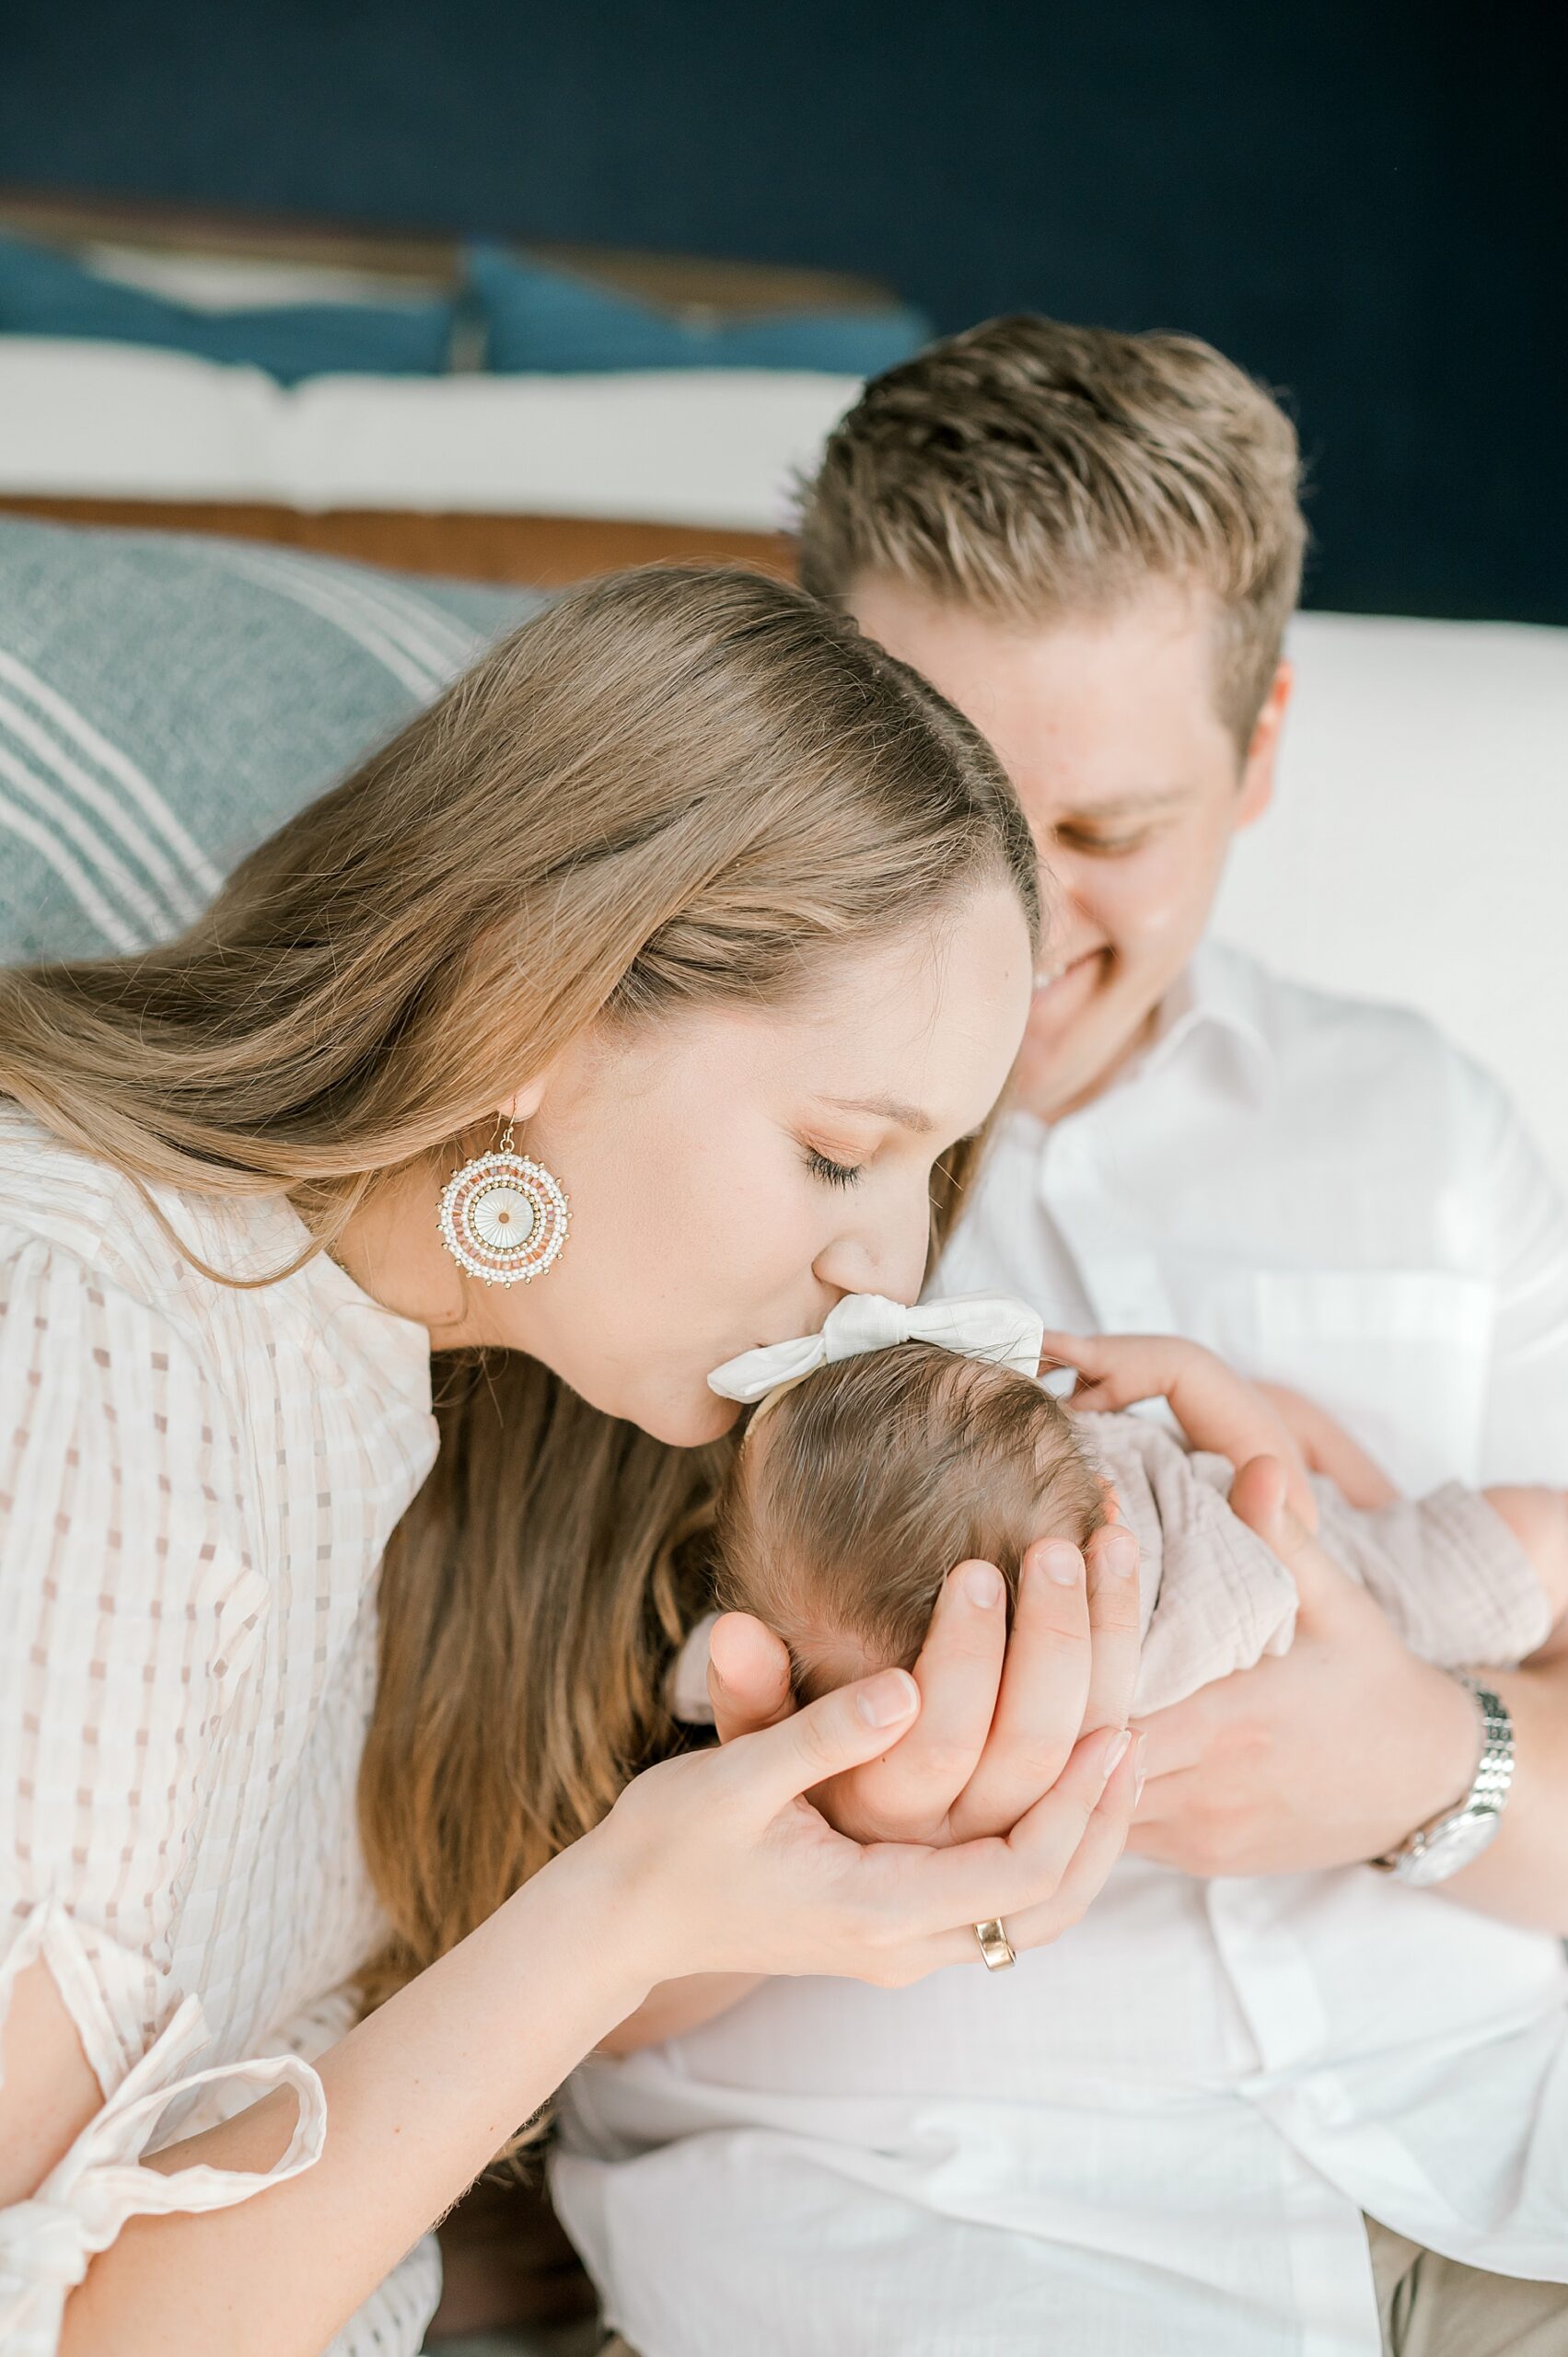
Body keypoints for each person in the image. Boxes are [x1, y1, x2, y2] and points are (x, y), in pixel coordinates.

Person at [0, 565, 1145, 2357]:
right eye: (842, 1149)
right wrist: (607, 1915)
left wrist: (854, 1847)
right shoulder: (83, 1325)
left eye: (932, 1174)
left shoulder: (496, 1437)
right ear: (535, 1006)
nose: (891, 1272)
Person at [554, 1303, 1568, 2355]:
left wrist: (1443, 1748)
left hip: (1479, 2134)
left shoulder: (1193, 1602)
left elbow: (1280, 1511)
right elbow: (565, 1976)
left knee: (1465, 1555)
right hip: (945, 2235)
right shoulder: (747, 1631)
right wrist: (818, 1837)